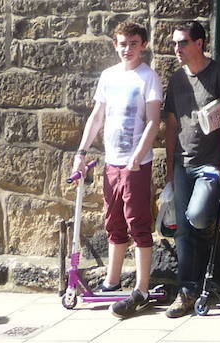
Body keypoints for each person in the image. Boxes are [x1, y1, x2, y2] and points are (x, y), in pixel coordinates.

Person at [72, 22, 163, 319]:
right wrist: (81, 152)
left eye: (133, 43)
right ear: (115, 44)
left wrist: (138, 154)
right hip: (112, 161)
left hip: (136, 163)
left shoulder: (148, 77)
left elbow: (153, 120)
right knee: (113, 220)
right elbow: (97, 116)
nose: (128, 48)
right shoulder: (108, 76)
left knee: (138, 222)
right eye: (123, 43)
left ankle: (142, 287)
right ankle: (112, 280)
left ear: (143, 45)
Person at [161, 20, 220, 317]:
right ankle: (187, 290)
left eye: (182, 42)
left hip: (210, 163)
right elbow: (171, 125)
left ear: (199, 43)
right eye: (174, 43)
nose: (177, 49)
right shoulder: (177, 79)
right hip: (183, 163)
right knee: (183, 229)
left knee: (196, 217)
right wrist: (169, 171)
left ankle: (206, 277)